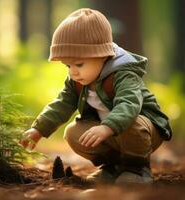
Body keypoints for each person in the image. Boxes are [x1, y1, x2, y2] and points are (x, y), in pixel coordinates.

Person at [20, 8, 172, 184]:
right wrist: (39, 129)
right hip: (110, 131)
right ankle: (112, 168)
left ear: (102, 55)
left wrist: (107, 127)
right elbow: (62, 104)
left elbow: (129, 105)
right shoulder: (77, 80)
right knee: (73, 133)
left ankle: (136, 169)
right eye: (67, 65)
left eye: (79, 64)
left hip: (143, 130)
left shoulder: (124, 74)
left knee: (131, 122)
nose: (73, 72)